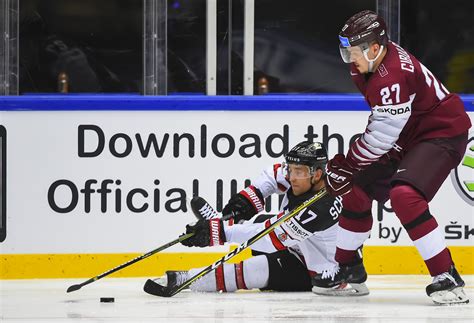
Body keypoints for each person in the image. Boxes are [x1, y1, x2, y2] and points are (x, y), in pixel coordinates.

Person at [311, 10, 471, 305]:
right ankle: (348, 270)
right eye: (344, 52)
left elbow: (381, 136)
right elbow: (386, 129)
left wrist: (348, 164)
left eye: (353, 52)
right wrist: (351, 170)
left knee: (404, 195)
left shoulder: (391, 77)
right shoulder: (369, 62)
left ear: (374, 48)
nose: (349, 60)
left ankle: (447, 276)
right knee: (355, 189)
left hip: (441, 133)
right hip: (408, 135)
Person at [153, 141, 368, 294]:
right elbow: (272, 176)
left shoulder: (321, 207)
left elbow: (270, 237)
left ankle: (185, 279)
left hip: (314, 271)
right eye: (291, 169)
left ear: (317, 174)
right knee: (254, 222)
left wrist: (218, 233)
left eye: (298, 171)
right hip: (296, 243)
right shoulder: (310, 175)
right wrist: (245, 203)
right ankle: (221, 219)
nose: (292, 177)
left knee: (250, 269)